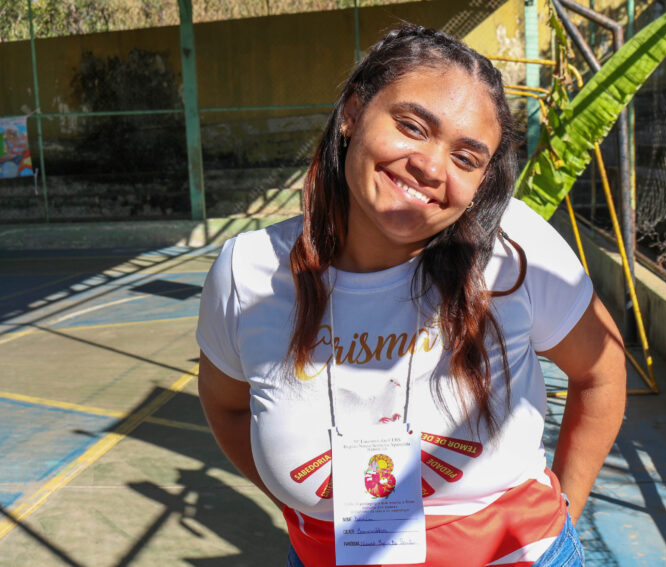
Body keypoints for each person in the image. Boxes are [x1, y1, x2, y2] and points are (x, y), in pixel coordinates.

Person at [196, 24, 626, 567]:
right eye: (413, 127)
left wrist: (565, 512)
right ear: (353, 113)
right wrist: (308, 510)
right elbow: (227, 406)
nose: (431, 167)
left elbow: (601, 371)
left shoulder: (513, 250)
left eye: (466, 159)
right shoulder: (250, 272)